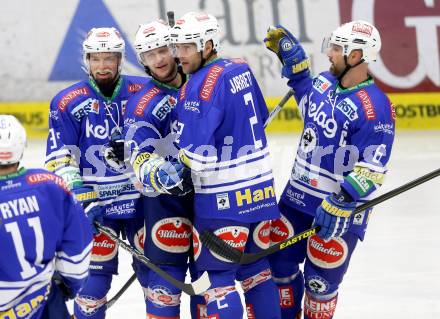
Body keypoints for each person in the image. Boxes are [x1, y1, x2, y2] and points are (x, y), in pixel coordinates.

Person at [263, 20, 395, 318]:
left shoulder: (376, 107)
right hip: (297, 200)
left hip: (338, 212)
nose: (329, 54)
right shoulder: (323, 80)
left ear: (357, 56)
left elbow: (372, 168)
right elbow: (309, 104)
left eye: (336, 49)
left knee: (320, 285)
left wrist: (343, 201)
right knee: (278, 265)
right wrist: (298, 72)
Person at [167, 11, 282, 319]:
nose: (180, 54)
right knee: (257, 273)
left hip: (222, 202)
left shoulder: (198, 86)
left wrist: (169, 167)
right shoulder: (239, 68)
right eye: (177, 46)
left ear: (208, 44)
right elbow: (262, 116)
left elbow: (199, 158)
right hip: (260, 194)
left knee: (218, 283)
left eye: (188, 46)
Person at [44, 27, 150, 319]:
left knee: (159, 285)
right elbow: (59, 157)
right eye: (96, 59)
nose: (102, 66)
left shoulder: (143, 91)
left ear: (120, 60)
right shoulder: (68, 101)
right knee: (91, 290)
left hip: (143, 203)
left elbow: (174, 133)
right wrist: (80, 195)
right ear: (86, 60)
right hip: (97, 209)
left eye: (109, 58)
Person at [122, 19, 193, 319]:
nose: (159, 59)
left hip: (209, 197)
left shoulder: (203, 83)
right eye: (150, 54)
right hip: (166, 203)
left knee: (212, 287)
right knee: (164, 289)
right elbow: (135, 151)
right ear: (142, 59)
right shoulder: (143, 103)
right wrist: (153, 170)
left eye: (163, 50)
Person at [0, 115, 92, 319]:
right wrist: (69, 285)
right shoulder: (51, 185)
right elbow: (77, 251)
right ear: (22, 146)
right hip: (47, 304)